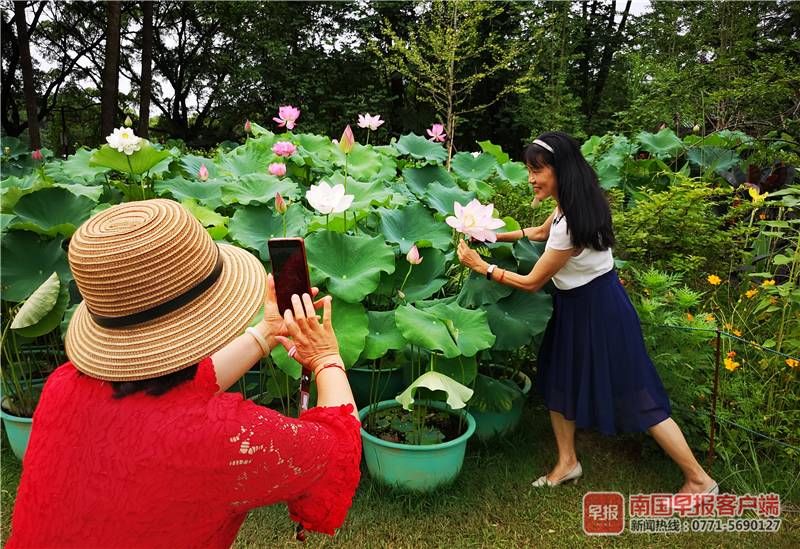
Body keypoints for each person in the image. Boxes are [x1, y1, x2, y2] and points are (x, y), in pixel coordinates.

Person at [7, 199, 361, 548]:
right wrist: (327, 358)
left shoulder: (62, 386)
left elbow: (176, 393)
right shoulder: (222, 438)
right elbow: (337, 452)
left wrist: (265, 335)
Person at [456, 131, 717, 494]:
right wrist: (488, 235)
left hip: (601, 311)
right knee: (558, 378)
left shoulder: (571, 225)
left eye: (537, 170)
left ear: (560, 169)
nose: (530, 178)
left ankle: (699, 479)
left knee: (636, 392)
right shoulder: (572, 203)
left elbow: (532, 282)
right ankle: (567, 463)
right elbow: (536, 232)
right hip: (576, 305)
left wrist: (481, 266)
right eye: (529, 170)